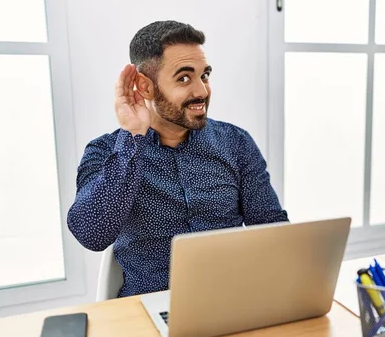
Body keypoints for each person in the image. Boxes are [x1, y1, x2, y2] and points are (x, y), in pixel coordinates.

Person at [67, 21, 288, 297]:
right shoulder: (108, 151)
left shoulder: (236, 143)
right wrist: (133, 137)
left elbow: (273, 231)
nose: (202, 91)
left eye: (204, 75)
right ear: (145, 87)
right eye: (184, 78)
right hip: (148, 308)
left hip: (231, 302)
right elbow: (92, 234)